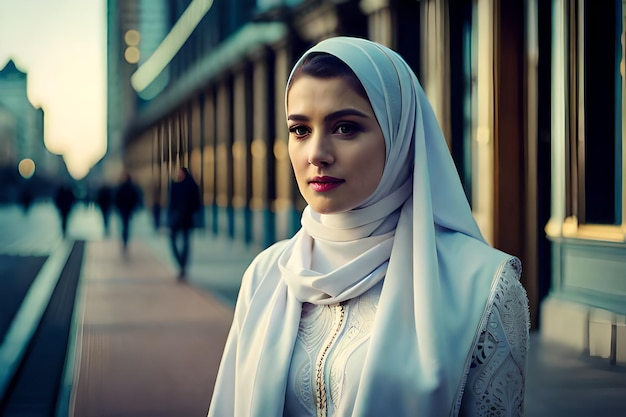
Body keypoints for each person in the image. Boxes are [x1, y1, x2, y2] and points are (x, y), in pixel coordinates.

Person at [207, 37, 530, 416]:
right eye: (300, 130)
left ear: (398, 137)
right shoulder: (266, 274)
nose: (317, 154)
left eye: (345, 127)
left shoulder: (481, 284)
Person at [167, 167, 201, 279]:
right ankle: (181, 263)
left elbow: (196, 203)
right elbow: (171, 204)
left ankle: (183, 264)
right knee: (173, 240)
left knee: (186, 243)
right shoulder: (175, 186)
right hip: (177, 219)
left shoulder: (191, 186)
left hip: (186, 219)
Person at [114, 171, 141, 253]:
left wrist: (133, 207)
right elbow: (117, 198)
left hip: (128, 209)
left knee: (126, 225)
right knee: (125, 225)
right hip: (123, 209)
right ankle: (124, 239)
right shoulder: (123, 187)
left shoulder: (129, 187)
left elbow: (135, 198)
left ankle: (125, 239)